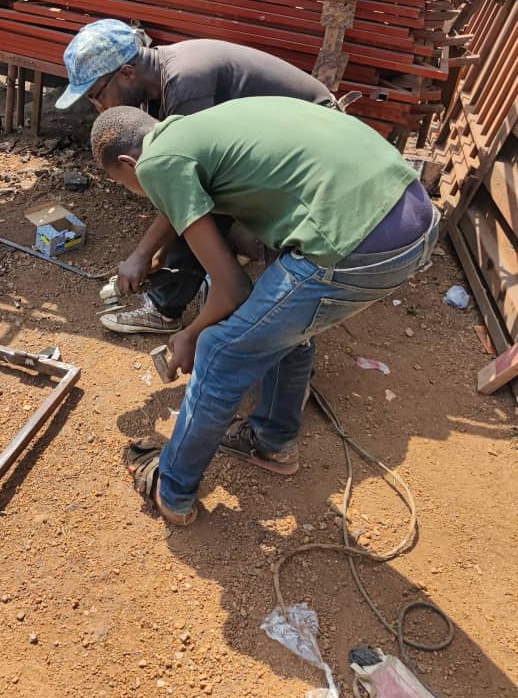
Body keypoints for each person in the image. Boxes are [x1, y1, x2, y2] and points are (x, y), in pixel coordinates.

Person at [90, 99, 438, 525]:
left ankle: (173, 488)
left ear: (129, 162)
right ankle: (271, 442)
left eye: (126, 185)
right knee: (282, 325)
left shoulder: (160, 163)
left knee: (220, 350)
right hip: (412, 217)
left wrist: (192, 333)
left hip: (358, 244)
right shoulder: (196, 131)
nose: (135, 192)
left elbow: (233, 287)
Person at [56, 19, 338, 336]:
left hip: (318, 143)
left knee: (199, 203)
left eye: (96, 95)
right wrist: (157, 252)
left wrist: (142, 254)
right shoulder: (161, 77)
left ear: (126, 73)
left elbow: (187, 187)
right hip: (295, 139)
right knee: (198, 208)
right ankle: (203, 285)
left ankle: (171, 308)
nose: (99, 108)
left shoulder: (184, 85)